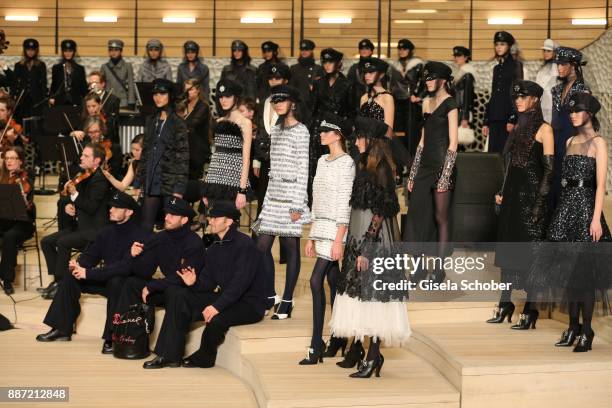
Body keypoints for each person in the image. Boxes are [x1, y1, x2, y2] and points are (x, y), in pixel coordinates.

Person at [329, 115, 409, 378]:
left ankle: (374, 355)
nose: (356, 142)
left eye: (361, 137)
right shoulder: (364, 162)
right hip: (358, 237)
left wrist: (367, 248)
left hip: (372, 241)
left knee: (374, 297)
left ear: (372, 139)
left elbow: (382, 210)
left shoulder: (382, 166)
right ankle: (366, 352)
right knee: (362, 297)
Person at [143, 201, 265, 369]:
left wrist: (216, 306)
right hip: (227, 297)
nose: (211, 221)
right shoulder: (214, 247)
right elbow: (207, 282)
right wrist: (193, 283)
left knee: (216, 319)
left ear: (229, 222)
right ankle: (169, 355)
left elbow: (240, 284)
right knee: (178, 293)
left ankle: (204, 358)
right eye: (210, 218)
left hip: (249, 304)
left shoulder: (245, 245)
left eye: (215, 218)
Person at [533, 93, 610, 352]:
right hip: (566, 209)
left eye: (577, 111)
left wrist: (596, 219)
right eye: (571, 112)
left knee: (584, 276)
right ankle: (573, 327)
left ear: (589, 113)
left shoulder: (598, 143)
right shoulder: (568, 140)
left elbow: (600, 186)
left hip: (587, 210)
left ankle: (587, 330)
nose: (572, 115)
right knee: (568, 275)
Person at [35, 192, 149, 352]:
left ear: (129, 212)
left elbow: (125, 268)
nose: (111, 210)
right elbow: (90, 257)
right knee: (70, 277)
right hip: (106, 279)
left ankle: (112, 336)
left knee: (117, 281)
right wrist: (78, 266)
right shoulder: (106, 232)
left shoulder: (141, 235)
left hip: (126, 285)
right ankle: (61, 329)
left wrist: (88, 274)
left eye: (117, 207)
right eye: (111, 206)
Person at [488, 81, 554, 328]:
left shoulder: (545, 130)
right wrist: (502, 192)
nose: (518, 100)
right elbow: (510, 166)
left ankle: (531, 308)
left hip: (531, 200)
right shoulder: (517, 128)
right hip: (513, 198)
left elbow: (549, 172)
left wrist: (539, 205)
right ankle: (505, 303)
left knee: (531, 255)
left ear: (535, 100)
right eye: (516, 97)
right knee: (507, 252)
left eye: (523, 97)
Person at [115, 197, 205, 366]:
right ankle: (126, 339)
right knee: (132, 284)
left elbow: (182, 277)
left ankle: (168, 355)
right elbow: (145, 270)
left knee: (175, 291)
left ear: (184, 220)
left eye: (173, 215)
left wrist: (153, 285)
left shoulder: (194, 242)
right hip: (167, 287)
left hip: (190, 292)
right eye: (167, 214)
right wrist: (133, 256)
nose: (167, 217)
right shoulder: (160, 237)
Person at [299, 114, 355, 365]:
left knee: (314, 280)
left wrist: (338, 239)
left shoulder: (348, 163)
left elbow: (345, 202)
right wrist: (311, 234)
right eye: (321, 130)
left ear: (338, 134)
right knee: (333, 281)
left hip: (336, 229)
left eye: (326, 130)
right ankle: (337, 336)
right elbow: (316, 197)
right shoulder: (322, 160)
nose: (321, 134)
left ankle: (315, 343)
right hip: (320, 226)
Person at [252, 85, 310, 319]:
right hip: (273, 197)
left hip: (291, 197)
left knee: (291, 248)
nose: (277, 104)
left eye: (282, 100)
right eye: (274, 100)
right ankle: (270, 294)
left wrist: (298, 204)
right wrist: (266, 203)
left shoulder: (302, 131)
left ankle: (286, 300)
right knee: (260, 247)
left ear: (292, 103)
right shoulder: (275, 131)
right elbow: (273, 169)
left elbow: (303, 169)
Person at [403, 62, 459, 283]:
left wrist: (445, 175)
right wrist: (413, 172)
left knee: (440, 218)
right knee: (417, 216)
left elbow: (453, 143)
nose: (426, 82)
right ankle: (417, 268)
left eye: (430, 78)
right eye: (425, 78)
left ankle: (438, 269)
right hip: (425, 168)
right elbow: (422, 142)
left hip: (443, 166)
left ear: (443, 80)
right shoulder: (426, 102)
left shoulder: (451, 104)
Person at [40, 143, 111, 299]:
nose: (81, 157)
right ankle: (57, 281)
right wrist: (71, 209)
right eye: (82, 155)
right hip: (82, 228)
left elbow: (91, 207)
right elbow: (81, 205)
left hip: (95, 231)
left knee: (63, 242)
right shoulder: (86, 175)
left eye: (86, 156)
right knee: (46, 241)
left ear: (97, 160)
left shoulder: (100, 180)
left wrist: (74, 195)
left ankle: (61, 285)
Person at [136, 78, 189, 231]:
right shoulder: (151, 120)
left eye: (162, 93)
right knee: (145, 226)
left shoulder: (178, 123)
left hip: (170, 182)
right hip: (152, 181)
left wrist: (179, 189)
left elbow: (183, 157)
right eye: (155, 93)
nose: (158, 97)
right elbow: (146, 153)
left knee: (171, 228)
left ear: (170, 95)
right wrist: (139, 182)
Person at [201, 79, 252, 210]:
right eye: (221, 96)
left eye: (227, 96)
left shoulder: (245, 123)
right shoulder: (219, 121)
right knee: (214, 224)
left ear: (236, 97)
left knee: (227, 224)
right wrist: (207, 185)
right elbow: (216, 156)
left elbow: (246, 159)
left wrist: (242, 190)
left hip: (234, 182)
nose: (223, 100)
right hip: (215, 180)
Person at [550, 47, 589, 210]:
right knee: (555, 181)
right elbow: (554, 117)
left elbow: (587, 119)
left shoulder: (582, 88)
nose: (559, 67)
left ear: (573, 65)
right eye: (557, 64)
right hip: (556, 140)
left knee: (571, 183)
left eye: (562, 64)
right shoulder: (557, 89)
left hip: (573, 140)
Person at [310, 48, 351, 201]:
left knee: (337, 164)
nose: (327, 65)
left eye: (330, 62)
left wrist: (346, 129)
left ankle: (336, 200)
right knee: (318, 167)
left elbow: (351, 111)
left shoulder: (347, 84)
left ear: (338, 63)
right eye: (325, 62)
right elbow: (312, 109)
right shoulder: (318, 83)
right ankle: (317, 201)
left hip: (338, 130)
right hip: (319, 130)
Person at [0, 146, 35, 295]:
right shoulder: (1, 177)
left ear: (20, 161)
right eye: (6, 158)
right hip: (3, 221)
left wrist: (22, 196)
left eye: (13, 158)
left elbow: (28, 208)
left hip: (23, 224)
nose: (9, 161)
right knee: (7, 234)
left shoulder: (26, 177)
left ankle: (7, 279)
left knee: (9, 236)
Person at [482, 31, 523, 153]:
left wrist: (513, 118)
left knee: (505, 156)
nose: (499, 47)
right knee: (492, 157)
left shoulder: (516, 65)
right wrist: (486, 121)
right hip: (495, 117)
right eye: (497, 44)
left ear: (509, 46)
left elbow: (518, 93)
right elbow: (494, 95)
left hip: (507, 119)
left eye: (502, 44)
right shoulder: (496, 68)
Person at [389, 38, 426, 157]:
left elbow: (425, 82)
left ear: (410, 50)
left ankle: (412, 161)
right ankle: (401, 162)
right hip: (397, 102)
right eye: (399, 48)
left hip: (412, 103)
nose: (401, 51)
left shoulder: (418, 64)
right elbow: (391, 83)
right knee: (398, 133)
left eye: (404, 48)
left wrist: (419, 96)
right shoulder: (394, 65)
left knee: (412, 133)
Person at [180, 78, 211, 181]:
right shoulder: (183, 105)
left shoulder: (203, 107)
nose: (187, 92)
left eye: (190, 89)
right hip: (185, 149)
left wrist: (182, 116)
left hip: (197, 150)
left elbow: (193, 124)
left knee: (193, 181)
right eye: (186, 89)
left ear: (197, 90)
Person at [12, 38, 47, 121]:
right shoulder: (18, 65)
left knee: (35, 121)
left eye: (33, 49)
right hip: (22, 99)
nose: (30, 52)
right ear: (25, 50)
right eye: (28, 49)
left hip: (36, 99)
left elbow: (44, 83)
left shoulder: (41, 65)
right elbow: (14, 83)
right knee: (21, 120)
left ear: (36, 51)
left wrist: (44, 99)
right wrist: (12, 97)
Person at [289, 39, 323, 124]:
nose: (304, 52)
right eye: (302, 50)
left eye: (306, 49)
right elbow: (290, 88)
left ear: (311, 51)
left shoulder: (318, 69)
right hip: (298, 106)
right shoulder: (294, 68)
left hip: (312, 107)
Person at [49, 40, 88, 108]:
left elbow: (83, 87)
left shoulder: (80, 69)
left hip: (76, 101)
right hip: (60, 101)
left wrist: (87, 100)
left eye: (70, 51)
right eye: (65, 51)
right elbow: (54, 85)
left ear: (74, 52)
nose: (68, 53)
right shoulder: (56, 68)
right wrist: (51, 97)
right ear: (62, 52)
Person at [100, 39, 137, 109]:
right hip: (109, 102)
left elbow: (131, 85)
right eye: (111, 50)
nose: (113, 52)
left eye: (116, 50)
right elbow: (101, 86)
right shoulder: (104, 67)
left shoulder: (127, 66)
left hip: (123, 102)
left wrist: (131, 102)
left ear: (121, 51)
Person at [87, 70, 121, 143]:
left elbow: (113, 124)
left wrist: (101, 116)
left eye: (95, 83)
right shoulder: (87, 99)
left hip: (108, 139)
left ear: (103, 84)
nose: (92, 86)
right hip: (90, 139)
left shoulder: (113, 100)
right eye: (90, 84)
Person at [347, 39, 375, 116]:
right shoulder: (354, 68)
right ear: (359, 51)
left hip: (374, 104)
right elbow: (348, 89)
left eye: (367, 48)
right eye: (362, 48)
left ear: (371, 51)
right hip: (357, 106)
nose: (364, 51)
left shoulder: (377, 67)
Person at [452, 46, 476, 133]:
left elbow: (467, 97)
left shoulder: (467, 74)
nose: (456, 58)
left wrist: (465, 117)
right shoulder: (459, 73)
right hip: (456, 110)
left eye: (459, 56)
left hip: (461, 112)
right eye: (455, 56)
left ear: (466, 57)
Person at [535, 39, 558, 123]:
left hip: (553, 106)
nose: (545, 53)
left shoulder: (558, 68)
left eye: (548, 51)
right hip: (542, 105)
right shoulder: (542, 69)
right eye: (544, 51)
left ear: (554, 52)